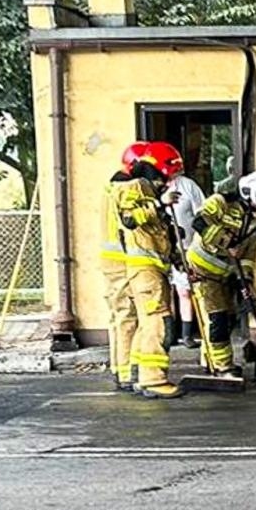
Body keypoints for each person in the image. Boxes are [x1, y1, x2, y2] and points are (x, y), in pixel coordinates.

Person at [185, 171, 256, 377]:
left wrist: (245, 281)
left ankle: (210, 361)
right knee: (217, 318)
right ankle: (223, 367)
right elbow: (199, 222)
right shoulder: (220, 202)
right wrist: (226, 242)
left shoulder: (254, 223)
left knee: (227, 319)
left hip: (224, 275)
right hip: (202, 270)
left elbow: (248, 256)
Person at [112, 141, 185, 400]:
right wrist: (160, 205)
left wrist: (178, 259)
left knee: (147, 324)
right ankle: (154, 379)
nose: (172, 181)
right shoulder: (135, 187)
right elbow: (130, 219)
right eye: (172, 174)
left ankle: (139, 376)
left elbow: (159, 233)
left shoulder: (149, 189)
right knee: (159, 322)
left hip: (153, 268)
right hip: (144, 270)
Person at [100, 142, 149, 391]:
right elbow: (132, 222)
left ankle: (120, 370)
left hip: (114, 261)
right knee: (128, 317)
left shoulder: (113, 187)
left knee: (120, 317)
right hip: (121, 262)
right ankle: (126, 374)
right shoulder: (126, 188)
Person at [167, 169, 206, 349]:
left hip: (188, 247)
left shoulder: (188, 186)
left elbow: (202, 212)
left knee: (186, 291)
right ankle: (169, 333)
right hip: (164, 250)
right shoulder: (151, 188)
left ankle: (187, 334)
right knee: (165, 292)